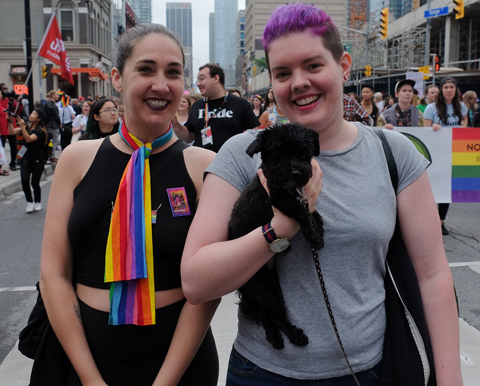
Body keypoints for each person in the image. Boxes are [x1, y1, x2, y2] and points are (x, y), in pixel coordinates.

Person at [180, 3, 462, 385]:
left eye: (313, 66)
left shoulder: (393, 152)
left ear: (343, 66)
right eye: (283, 73)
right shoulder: (244, 153)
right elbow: (196, 282)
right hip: (262, 373)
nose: (298, 82)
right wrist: (281, 227)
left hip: (370, 370)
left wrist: (450, 379)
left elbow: (433, 275)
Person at [37, 23, 220, 386]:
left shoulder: (205, 167)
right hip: (86, 357)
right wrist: (91, 379)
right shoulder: (76, 160)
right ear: (117, 79)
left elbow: (208, 287)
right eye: (146, 69)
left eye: (173, 72)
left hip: (181, 364)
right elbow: (53, 274)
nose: (161, 84)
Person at [172, 63, 259, 152]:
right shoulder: (197, 105)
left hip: (231, 162)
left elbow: (255, 134)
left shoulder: (240, 104)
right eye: (197, 80)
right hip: (201, 161)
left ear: (216, 78)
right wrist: (175, 124)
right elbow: (189, 138)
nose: (198, 83)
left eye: (202, 79)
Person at [424, 77, 468, 236]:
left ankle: (441, 222)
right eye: (446, 87)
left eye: (452, 87)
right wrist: (433, 129)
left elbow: (465, 123)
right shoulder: (431, 108)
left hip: (453, 152)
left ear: (456, 90)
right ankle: (428, 220)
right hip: (435, 152)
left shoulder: (462, 107)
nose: (449, 90)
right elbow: (425, 131)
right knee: (431, 188)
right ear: (441, 90)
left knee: (445, 189)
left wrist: (463, 128)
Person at [7, 109, 48, 213]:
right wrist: (10, 122)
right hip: (25, 159)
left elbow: (29, 139)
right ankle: (29, 201)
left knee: (35, 182)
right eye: (31, 113)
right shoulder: (27, 127)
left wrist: (22, 127)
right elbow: (11, 132)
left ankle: (37, 201)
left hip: (38, 160)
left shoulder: (41, 131)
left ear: (38, 119)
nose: (30, 115)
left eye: (34, 114)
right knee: (24, 181)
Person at [0, 82, 20, 171]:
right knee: (2, 147)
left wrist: (16, 101)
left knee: (13, 146)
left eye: (7, 88)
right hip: (2, 127)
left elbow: (18, 109)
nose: (6, 91)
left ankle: (13, 163)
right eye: (4, 89)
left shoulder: (9, 99)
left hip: (11, 125)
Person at [43, 89, 61, 163]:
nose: (58, 96)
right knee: (54, 141)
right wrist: (59, 124)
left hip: (47, 125)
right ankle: (52, 156)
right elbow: (56, 116)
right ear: (53, 96)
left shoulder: (46, 104)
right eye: (57, 95)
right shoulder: (53, 105)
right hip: (53, 125)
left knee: (48, 141)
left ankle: (48, 156)